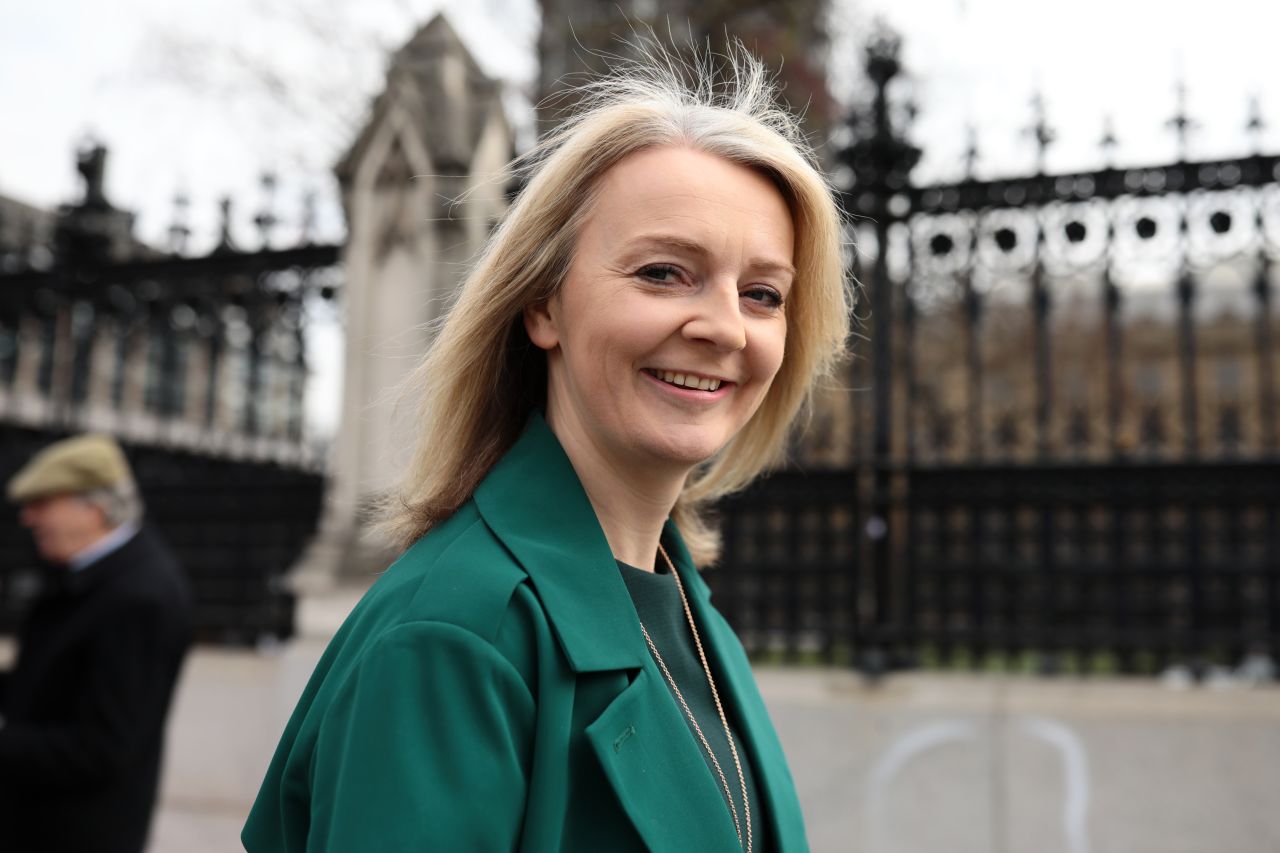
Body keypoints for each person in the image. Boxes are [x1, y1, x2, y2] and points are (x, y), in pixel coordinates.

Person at [243, 45, 849, 853]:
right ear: (543, 306)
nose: (724, 327)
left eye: (763, 293)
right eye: (665, 272)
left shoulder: (682, 603)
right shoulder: (453, 636)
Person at [0, 434, 193, 853]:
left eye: (42, 503)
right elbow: (49, 681)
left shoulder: (140, 597)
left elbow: (102, 748)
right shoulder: (95, 572)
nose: (28, 518)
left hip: (75, 833)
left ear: (95, 507)